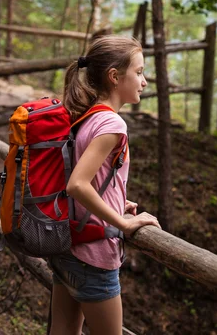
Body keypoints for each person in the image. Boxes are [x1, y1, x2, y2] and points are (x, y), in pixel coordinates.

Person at [48, 35, 161, 335]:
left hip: (68, 245)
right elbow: (77, 185)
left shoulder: (85, 115)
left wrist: (115, 202)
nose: (144, 81)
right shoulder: (112, 124)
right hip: (94, 255)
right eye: (138, 72)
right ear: (114, 76)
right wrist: (123, 224)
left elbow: (86, 178)